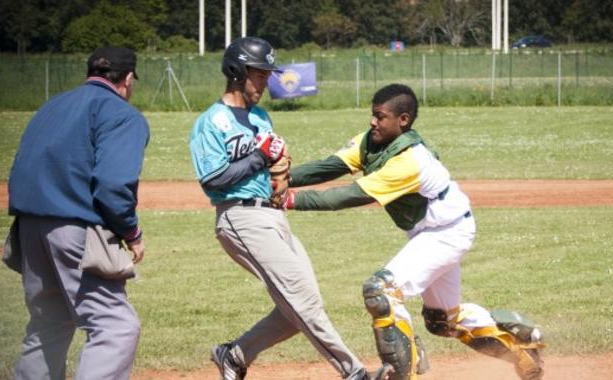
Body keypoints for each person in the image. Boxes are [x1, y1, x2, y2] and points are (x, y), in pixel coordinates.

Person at [282, 84, 546, 380]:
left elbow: (348, 196)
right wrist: (281, 177)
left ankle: (406, 374)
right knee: (442, 321)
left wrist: (288, 199)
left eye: (380, 116)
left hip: (447, 233)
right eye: (373, 115)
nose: (373, 122)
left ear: (403, 120)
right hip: (431, 233)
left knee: (381, 292)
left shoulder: (410, 161)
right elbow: (330, 166)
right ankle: (522, 350)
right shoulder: (371, 142)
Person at [188, 36, 390, 380]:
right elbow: (214, 180)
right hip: (240, 216)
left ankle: (234, 356)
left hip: (273, 215)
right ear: (237, 71)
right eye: (260, 74)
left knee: (297, 307)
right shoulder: (212, 121)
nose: (266, 82)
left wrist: (279, 170)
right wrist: (259, 157)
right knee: (302, 302)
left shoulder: (261, 117)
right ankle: (354, 372)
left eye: (268, 75)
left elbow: (272, 165)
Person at [7, 46, 149, 380]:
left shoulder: (51, 106)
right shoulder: (121, 113)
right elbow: (113, 186)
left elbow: (21, 167)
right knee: (116, 327)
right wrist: (132, 233)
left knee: (49, 324)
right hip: (74, 230)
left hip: (28, 227)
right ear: (128, 79)